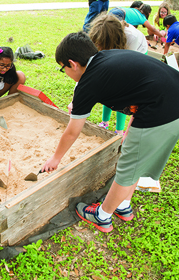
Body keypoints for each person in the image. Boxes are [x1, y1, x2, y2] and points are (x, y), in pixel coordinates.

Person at [43, 31, 179, 233]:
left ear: (72, 63)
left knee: (127, 168)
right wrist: (132, 126)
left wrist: (55, 159)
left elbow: (72, 132)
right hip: (170, 100)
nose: (66, 74)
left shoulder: (89, 82)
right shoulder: (106, 57)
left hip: (161, 111)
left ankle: (102, 216)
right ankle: (123, 206)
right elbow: (143, 86)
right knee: (134, 162)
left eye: (63, 69)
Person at [89, 14, 148, 135]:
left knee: (122, 92)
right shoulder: (102, 38)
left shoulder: (132, 37)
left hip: (138, 52)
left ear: (110, 40)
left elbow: (126, 68)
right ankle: (104, 122)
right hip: (118, 50)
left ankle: (119, 130)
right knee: (108, 90)